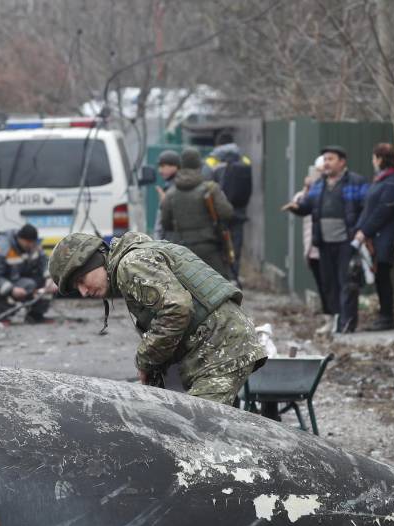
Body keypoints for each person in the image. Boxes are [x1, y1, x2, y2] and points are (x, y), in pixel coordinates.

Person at [48, 231, 267, 405]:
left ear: (94, 261)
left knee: (200, 435)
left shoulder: (130, 264)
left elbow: (176, 309)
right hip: (217, 346)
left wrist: (145, 360)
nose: (84, 291)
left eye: (81, 280)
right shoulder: (138, 256)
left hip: (222, 349)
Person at [288, 145, 368, 333]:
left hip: (346, 243)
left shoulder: (356, 182)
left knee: (347, 283)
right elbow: (308, 206)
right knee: (329, 284)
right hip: (324, 243)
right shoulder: (319, 184)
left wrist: (361, 231)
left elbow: (366, 208)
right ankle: (333, 321)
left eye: (330, 159)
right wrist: (296, 207)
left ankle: (346, 324)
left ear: (342, 162)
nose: (326, 163)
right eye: (325, 159)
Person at [158, 147, 235, 280]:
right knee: (219, 286)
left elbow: (165, 222)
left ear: (181, 165)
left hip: (182, 250)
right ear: (200, 165)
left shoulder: (171, 193)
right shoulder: (210, 188)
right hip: (209, 248)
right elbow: (227, 213)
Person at [354, 143, 394, 331]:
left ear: (381, 159)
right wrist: (360, 229)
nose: (373, 161)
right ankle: (383, 316)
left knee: (383, 276)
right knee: (379, 277)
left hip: (384, 236)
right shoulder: (381, 179)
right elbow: (369, 208)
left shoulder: (393, 181)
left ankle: (387, 317)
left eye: (375, 158)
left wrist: (365, 231)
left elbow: (383, 210)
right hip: (374, 235)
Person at [284, 157, 331, 315]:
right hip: (312, 245)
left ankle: (333, 315)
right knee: (321, 283)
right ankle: (328, 315)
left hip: (324, 243)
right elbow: (299, 202)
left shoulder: (327, 190)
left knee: (328, 283)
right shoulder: (311, 191)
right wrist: (306, 188)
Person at [205, 132, 253, 281]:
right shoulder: (244, 160)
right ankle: (234, 276)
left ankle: (221, 278)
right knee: (236, 246)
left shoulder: (211, 161)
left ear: (218, 145)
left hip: (218, 213)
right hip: (239, 211)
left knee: (219, 245)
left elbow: (205, 185)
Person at [0, 224, 57, 323]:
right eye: (27, 242)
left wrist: (50, 278)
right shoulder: (2, 247)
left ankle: (35, 315)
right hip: (6, 282)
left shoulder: (34, 246)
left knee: (49, 285)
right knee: (10, 289)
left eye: (32, 242)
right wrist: (11, 289)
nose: (30, 245)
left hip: (24, 281)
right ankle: (1, 315)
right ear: (19, 238)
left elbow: (44, 262)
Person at [152, 149, 180, 240]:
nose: (160, 170)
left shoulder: (178, 186)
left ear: (174, 166)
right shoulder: (169, 185)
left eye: (163, 166)